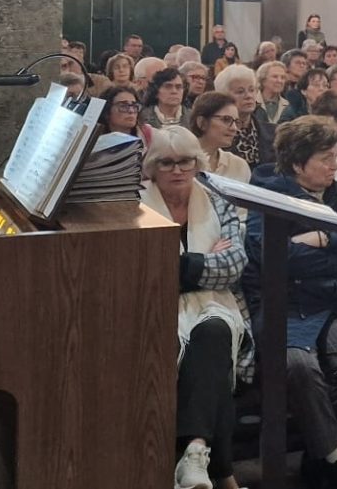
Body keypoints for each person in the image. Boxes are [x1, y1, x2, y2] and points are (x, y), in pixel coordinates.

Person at [243, 117, 337, 489]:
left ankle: (320, 455)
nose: (335, 166)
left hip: (335, 300)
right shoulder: (268, 192)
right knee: (297, 365)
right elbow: (273, 255)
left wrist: (322, 238)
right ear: (297, 163)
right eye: (325, 159)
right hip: (283, 302)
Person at [139, 127, 252, 489]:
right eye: (166, 163)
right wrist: (204, 262)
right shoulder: (136, 203)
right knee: (202, 351)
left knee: (214, 330)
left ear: (197, 163)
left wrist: (179, 267)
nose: (177, 170)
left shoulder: (217, 200)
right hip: (153, 308)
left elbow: (235, 265)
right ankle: (214, 468)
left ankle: (195, 456)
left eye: (186, 161)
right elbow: (141, 271)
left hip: (217, 304)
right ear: (152, 167)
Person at [215, 64, 274, 170]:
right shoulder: (215, 136)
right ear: (223, 96)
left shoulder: (274, 133)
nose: (248, 96)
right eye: (240, 92)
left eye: (252, 90)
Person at [189, 91, 251, 183]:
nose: (234, 128)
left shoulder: (239, 166)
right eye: (226, 119)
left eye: (237, 122)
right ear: (202, 122)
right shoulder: (181, 162)